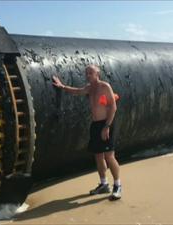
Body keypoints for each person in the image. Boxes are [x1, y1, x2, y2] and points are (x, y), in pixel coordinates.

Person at [52, 65, 122, 200]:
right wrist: (62, 86)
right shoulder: (89, 88)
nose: (88, 75)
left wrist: (107, 126)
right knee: (98, 156)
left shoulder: (105, 86)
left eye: (91, 72)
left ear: (97, 73)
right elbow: (77, 91)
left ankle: (118, 186)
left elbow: (113, 107)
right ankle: (104, 185)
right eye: (86, 73)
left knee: (109, 156)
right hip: (96, 125)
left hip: (106, 124)